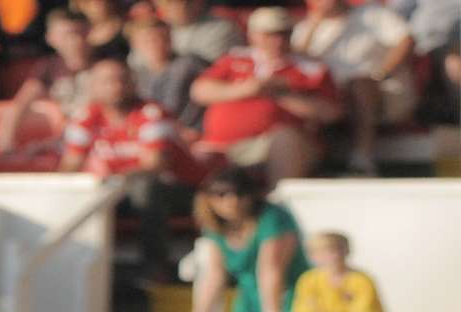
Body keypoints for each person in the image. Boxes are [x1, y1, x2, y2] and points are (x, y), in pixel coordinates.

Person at [60, 59, 204, 280]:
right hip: (117, 193)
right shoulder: (86, 117)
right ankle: (72, 268)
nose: (116, 86)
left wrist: (109, 179)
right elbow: (71, 165)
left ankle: (155, 269)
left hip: (177, 190)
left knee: (144, 188)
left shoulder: (152, 114)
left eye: (122, 80)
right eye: (108, 81)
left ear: (133, 83)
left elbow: (155, 165)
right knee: (78, 191)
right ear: (93, 86)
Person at [190, 7, 340, 183]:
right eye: (269, 35)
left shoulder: (310, 69)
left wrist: (279, 94)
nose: (277, 41)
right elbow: (199, 91)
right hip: (219, 146)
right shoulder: (235, 59)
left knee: (285, 139)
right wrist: (248, 89)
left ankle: (278, 204)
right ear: (253, 35)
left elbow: (331, 113)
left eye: (283, 34)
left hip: (272, 145)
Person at [291, 0, 415, 176]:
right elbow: (295, 63)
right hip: (329, 97)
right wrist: (314, 24)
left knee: (360, 84)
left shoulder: (372, 13)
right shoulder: (305, 28)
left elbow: (406, 41)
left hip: (380, 90)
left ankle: (362, 159)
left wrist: (382, 73)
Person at [183, 165, 309, 312]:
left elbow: (270, 269)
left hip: (289, 306)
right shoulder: (215, 226)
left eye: (239, 193)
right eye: (221, 194)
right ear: (208, 198)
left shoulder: (273, 218)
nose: (231, 201)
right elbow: (215, 275)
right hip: (248, 309)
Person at [0, 9, 96, 154]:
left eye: (80, 33)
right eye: (67, 35)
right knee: (30, 155)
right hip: (68, 137)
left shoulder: (106, 63)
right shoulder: (49, 66)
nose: (75, 41)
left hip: (99, 136)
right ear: (51, 38)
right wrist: (5, 141)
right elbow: (20, 105)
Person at [125, 2, 204, 124]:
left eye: (161, 38)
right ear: (135, 45)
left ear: (170, 40)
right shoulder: (136, 76)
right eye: (147, 40)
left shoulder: (190, 64)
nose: (156, 44)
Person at [292, 230, 388, 312]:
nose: (334, 256)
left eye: (338, 250)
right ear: (313, 255)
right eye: (325, 251)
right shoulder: (308, 280)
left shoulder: (361, 280)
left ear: (347, 251)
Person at [156, 0, 243, 64]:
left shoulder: (222, 29)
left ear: (199, 2)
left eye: (183, 2)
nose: (175, 7)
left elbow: (199, 70)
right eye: (168, 2)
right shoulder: (158, 29)